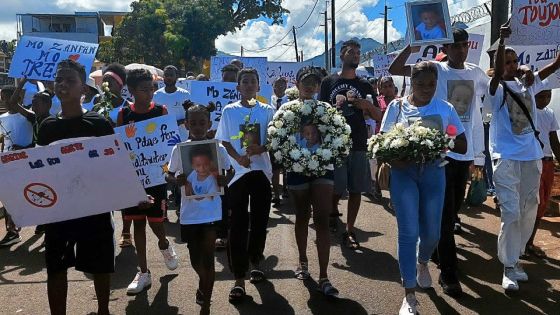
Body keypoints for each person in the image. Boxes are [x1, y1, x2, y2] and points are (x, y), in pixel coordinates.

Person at [389, 28, 488, 297]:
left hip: (461, 154)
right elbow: (398, 67)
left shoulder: (475, 72)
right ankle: (447, 274)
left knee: (450, 216)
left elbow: (494, 89)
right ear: (447, 47)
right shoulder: (435, 68)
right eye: (454, 45)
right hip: (434, 162)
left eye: (464, 45)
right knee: (440, 221)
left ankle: (430, 253)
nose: (460, 49)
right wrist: (414, 43)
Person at [380, 61, 467, 315]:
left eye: (431, 84)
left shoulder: (444, 108)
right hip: (403, 174)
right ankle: (409, 295)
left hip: (434, 173)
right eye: (420, 84)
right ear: (411, 82)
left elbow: (460, 142)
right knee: (408, 232)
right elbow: (384, 142)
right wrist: (397, 157)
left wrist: (441, 141)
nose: (426, 89)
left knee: (432, 234)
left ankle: (423, 262)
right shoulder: (397, 107)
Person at [36, 59, 117, 315]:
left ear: (84, 89)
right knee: (56, 267)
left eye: (70, 80)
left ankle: (103, 310)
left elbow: (115, 165)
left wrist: (132, 194)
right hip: (59, 211)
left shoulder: (99, 124)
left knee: (101, 265)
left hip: (95, 207)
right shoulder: (47, 127)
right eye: (59, 80)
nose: (63, 85)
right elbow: (38, 169)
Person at [487, 24, 560, 291]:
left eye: (515, 60)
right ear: (498, 64)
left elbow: (551, 69)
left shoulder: (527, 83)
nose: (511, 64)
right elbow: (496, 76)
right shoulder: (494, 88)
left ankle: (516, 260)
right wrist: (503, 41)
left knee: (529, 210)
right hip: (505, 157)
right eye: (506, 61)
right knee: (510, 211)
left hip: (532, 157)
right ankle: (507, 267)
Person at [116, 68, 179, 295]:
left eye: (152, 88)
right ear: (131, 91)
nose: (150, 93)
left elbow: (170, 141)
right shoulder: (124, 115)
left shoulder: (161, 111)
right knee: (137, 222)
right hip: (134, 177)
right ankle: (144, 272)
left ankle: (164, 244)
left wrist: (170, 170)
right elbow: (120, 145)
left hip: (156, 176)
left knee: (155, 221)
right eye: (144, 89)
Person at [215, 68, 274, 304]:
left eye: (253, 82)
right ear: (238, 87)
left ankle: (256, 262)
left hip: (261, 172)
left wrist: (261, 148)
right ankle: (239, 277)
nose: (249, 85)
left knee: (260, 221)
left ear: (258, 87)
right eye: (244, 82)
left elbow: (273, 139)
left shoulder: (268, 110)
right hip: (238, 174)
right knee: (237, 224)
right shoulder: (230, 111)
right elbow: (225, 141)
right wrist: (238, 158)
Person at [167, 104, 230, 315]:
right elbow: (169, 174)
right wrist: (177, 180)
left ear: (209, 124)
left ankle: (207, 301)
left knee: (209, 256)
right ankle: (204, 283)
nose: (197, 126)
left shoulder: (218, 148)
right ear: (186, 124)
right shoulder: (179, 149)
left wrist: (224, 179)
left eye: (202, 122)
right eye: (192, 122)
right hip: (189, 214)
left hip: (212, 211)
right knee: (195, 258)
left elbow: (229, 172)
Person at [319, 39, 382, 246]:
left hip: (358, 142)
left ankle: (350, 229)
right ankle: (332, 211)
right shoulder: (328, 82)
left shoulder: (364, 85)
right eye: (351, 51)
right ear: (341, 55)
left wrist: (364, 104)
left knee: (356, 188)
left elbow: (378, 114)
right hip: (334, 144)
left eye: (358, 52)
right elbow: (319, 111)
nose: (355, 54)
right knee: (336, 187)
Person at [283, 66, 339, 297]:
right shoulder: (286, 109)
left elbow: (336, 136)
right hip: (297, 171)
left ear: (318, 86)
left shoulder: (326, 109)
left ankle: (324, 276)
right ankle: (303, 261)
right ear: (297, 85)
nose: (309, 85)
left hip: (323, 170)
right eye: (305, 81)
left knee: (322, 219)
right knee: (302, 216)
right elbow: (279, 137)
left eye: (314, 82)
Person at [526, 90, 560, 258]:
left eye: (548, 96)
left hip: (548, 163)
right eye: (541, 96)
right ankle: (523, 243)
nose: (545, 100)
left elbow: (554, 140)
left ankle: (529, 242)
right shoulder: (529, 111)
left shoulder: (550, 113)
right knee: (534, 203)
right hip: (533, 163)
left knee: (543, 204)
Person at [270, 77, 289, 205]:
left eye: (283, 85)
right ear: (274, 87)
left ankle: (286, 188)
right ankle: (276, 195)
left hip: (287, 138)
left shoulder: (290, 101)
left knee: (287, 167)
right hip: (273, 139)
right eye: (278, 85)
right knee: (275, 168)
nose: (280, 88)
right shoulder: (269, 100)